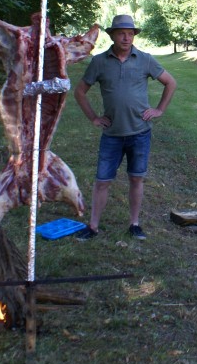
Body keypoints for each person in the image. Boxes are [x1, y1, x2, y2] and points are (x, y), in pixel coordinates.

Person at [73, 14, 177, 240]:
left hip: (140, 133)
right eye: (121, 33)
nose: (126, 38)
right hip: (111, 135)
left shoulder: (145, 59)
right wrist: (93, 117)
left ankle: (135, 223)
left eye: (130, 34)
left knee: (136, 178)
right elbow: (80, 91)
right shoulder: (99, 62)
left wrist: (159, 109)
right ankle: (92, 226)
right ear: (112, 35)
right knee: (102, 181)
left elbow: (171, 82)